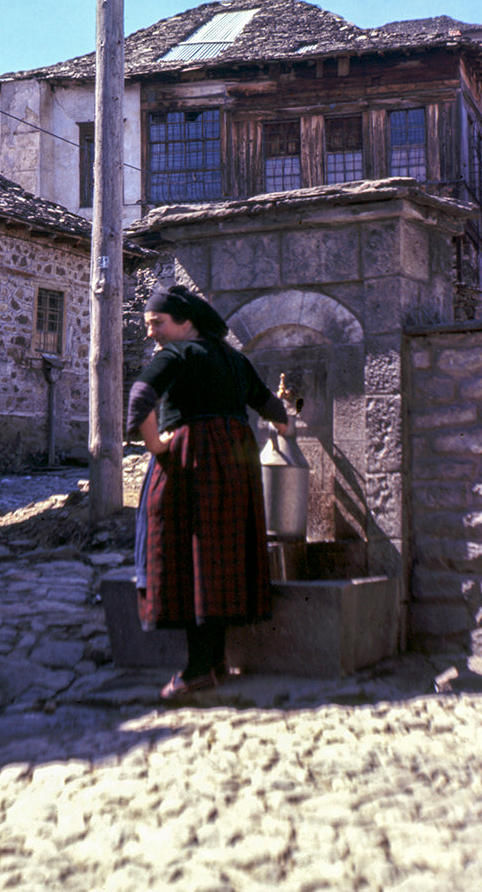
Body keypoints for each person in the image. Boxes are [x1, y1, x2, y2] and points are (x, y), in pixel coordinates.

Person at [127, 284, 291, 703]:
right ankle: (212, 662)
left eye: (157, 324)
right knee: (219, 556)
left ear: (186, 322)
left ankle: (198, 670)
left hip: (190, 459)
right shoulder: (236, 359)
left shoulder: (176, 355)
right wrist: (285, 429)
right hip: (237, 466)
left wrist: (157, 447)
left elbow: (139, 400)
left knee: (186, 551)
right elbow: (272, 407)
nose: (151, 334)